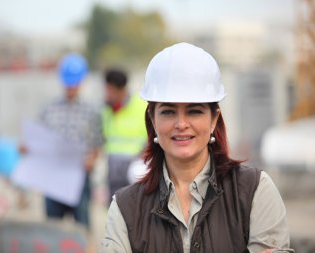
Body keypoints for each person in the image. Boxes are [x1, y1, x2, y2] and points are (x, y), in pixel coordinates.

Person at [101, 43, 293, 253]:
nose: (181, 124)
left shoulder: (255, 191)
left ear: (214, 119)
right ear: (153, 120)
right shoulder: (125, 209)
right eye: (168, 111)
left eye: (194, 111)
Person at [33, 53, 102, 227]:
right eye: (68, 83)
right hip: (53, 176)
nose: (71, 87)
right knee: (53, 229)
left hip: (79, 178)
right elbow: (38, 140)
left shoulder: (91, 111)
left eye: (74, 83)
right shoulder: (49, 108)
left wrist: (90, 161)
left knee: (82, 229)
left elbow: (97, 144)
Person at [102, 69, 147, 202]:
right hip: (113, 171)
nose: (107, 94)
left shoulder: (141, 106)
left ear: (121, 90)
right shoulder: (106, 110)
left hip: (135, 169)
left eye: (110, 90)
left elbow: (153, 135)